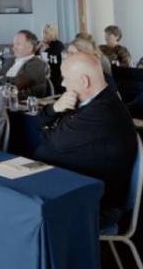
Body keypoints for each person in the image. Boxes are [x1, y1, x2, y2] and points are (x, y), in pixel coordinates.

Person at [33, 52, 137, 227]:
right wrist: (54, 109)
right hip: (73, 184)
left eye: (65, 78)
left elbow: (55, 142)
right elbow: (41, 124)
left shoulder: (104, 109)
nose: (62, 83)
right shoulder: (86, 101)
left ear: (84, 81)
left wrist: (49, 130)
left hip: (96, 202)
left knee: (27, 215)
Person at [0, 30, 51, 98]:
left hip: (25, 105)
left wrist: (1, 79)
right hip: (1, 101)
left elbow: (16, 84)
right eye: (14, 44)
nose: (13, 47)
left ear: (30, 47)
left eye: (18, 44)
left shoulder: (36, 63)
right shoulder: (10, 61)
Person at [41, 23, 65, 92]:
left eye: (46, 33)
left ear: (52, 34)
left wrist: (47, 50)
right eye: (43, 32)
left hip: (56, 78)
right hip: (43, 78)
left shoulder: (58, 45)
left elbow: (54, 62)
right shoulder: (40, 44)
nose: (43, 35)